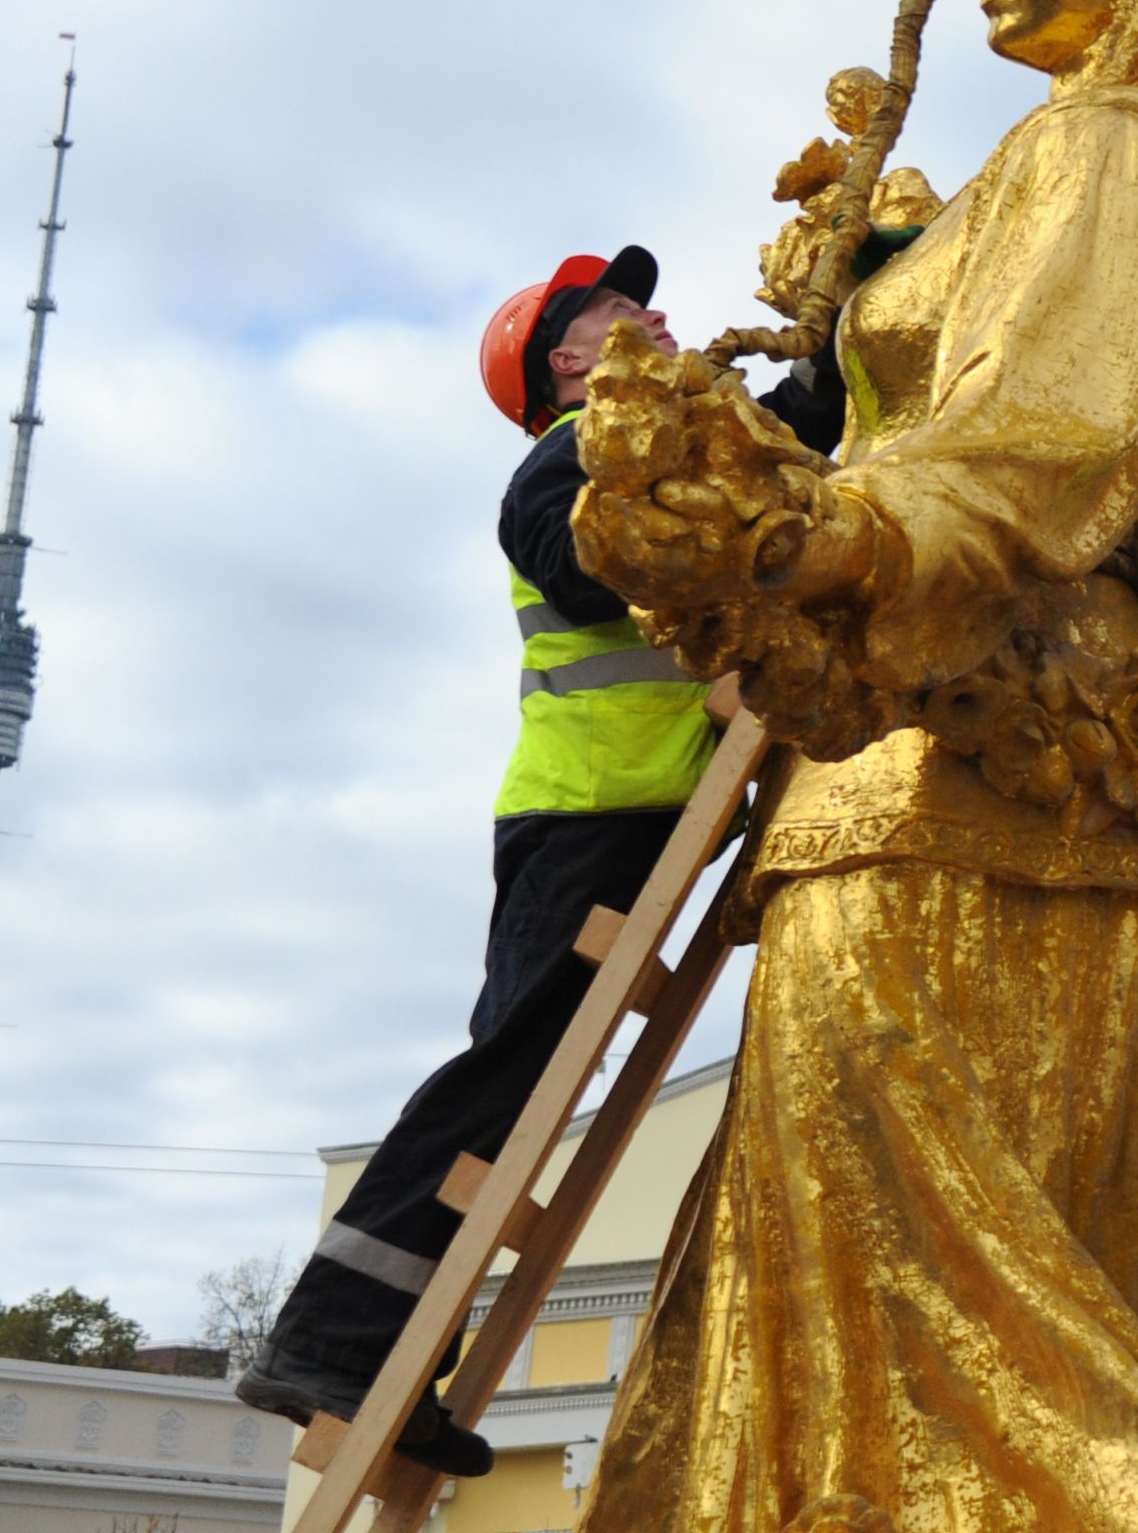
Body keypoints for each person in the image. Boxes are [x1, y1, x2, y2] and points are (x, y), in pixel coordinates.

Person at [568, 0, 1138, 1533]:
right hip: (950, 768)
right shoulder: (1069, 159)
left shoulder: (1116, 142)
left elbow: (1039, 436)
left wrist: (821, 531)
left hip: (979, 779)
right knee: (865, 1352)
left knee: (954, 1357)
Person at [237, 246, 834, 1474]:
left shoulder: (672, 442)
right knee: (507, 1077)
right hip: (587, 814)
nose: (656, 316)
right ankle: (330, 1343)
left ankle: (398, 1366)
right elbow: (582, 555)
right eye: (621, 311)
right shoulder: (563, 461)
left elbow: (805, 429)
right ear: (567, 361)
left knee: (518, 1101)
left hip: (628, 808)